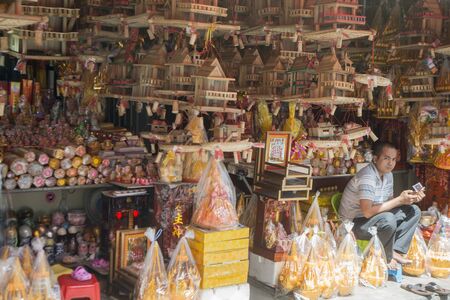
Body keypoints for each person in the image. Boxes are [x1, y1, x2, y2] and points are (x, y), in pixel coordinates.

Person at [339, 141, 425, 267]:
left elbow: (387, 204)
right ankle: (385, 256)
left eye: (394, 159)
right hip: (353, 224)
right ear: (375, 158)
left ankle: (394, 251)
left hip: (373, 218)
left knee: (413, 210)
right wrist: (400, 200)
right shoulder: (368, 176)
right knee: (388, 219)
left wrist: (409, 199)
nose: (391, 163)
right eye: (386, 158)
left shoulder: (388, 175)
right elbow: (367, 212)